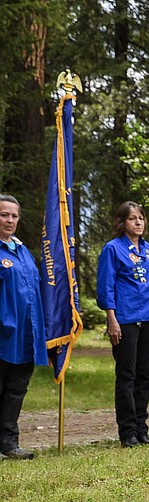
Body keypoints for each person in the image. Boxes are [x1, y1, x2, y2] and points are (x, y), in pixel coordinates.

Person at [97, 202, 149, 447]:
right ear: (122, 222)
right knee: (127, 375)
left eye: (141, 218)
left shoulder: (147, 249)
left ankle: (142, 428)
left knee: (145, 374)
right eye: (132, 218)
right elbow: (106, 287)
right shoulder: (112, 249)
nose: (138, 222)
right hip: (126, 319)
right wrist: (112, 319)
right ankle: (128, 431)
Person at [0, 195, 46, 459]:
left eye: (14, 216)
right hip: (3, 333)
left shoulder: (23, 251)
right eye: (4, 214)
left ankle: (9, 443)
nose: (10, 220)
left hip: (26, 334)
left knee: (16, 391)